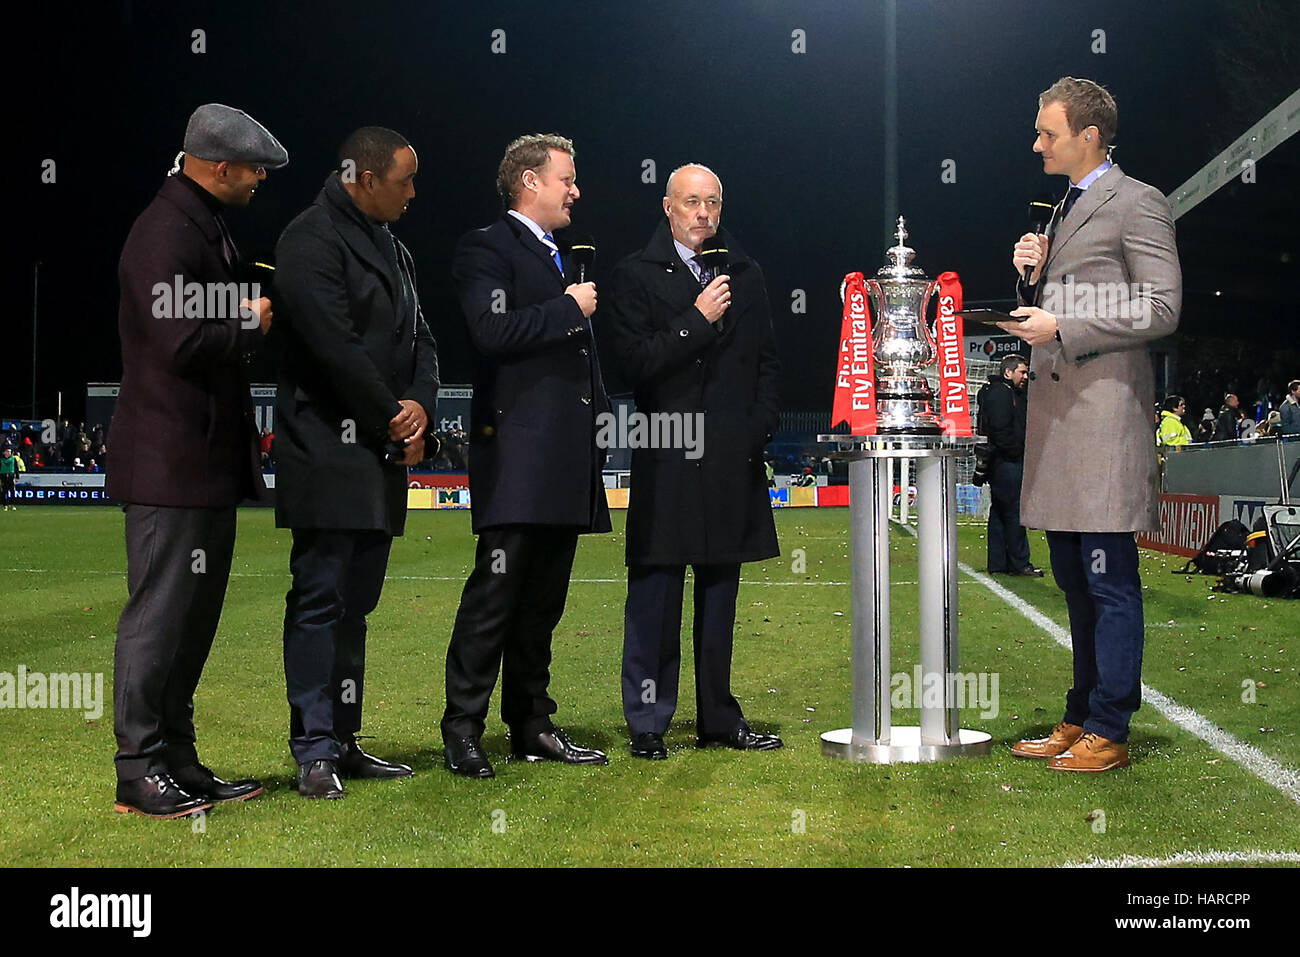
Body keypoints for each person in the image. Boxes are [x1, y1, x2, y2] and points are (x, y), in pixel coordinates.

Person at [107, 103, 285, 817]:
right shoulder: (162, 232)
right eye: (252, 169)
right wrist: (251, 320)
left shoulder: (199, 224)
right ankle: (138, 768)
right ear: (217, 167)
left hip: (198, 461)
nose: (258, 181)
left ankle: (176, 757)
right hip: (168, 464)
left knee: (191, 620)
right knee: (158, 619)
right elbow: (175, 338)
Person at [999, 77, 1181, 772]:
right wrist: (1030, 284)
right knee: (1074, 578)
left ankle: (1111, 723)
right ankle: (1081, 713)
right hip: (1061, 423)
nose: (1038, 143)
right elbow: (1063, 303)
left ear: (1089, 136)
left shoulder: (1139, 202)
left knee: (1108, 580)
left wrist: (1063, 322)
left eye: (1048, 132)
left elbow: (1163, 308)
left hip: (1103, 425)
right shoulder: (1062, 209)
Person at [274, 127, 440, 799]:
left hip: (377, 453)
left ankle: (343, 737)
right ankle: (312, 746)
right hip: (327, 450)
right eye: (405, 179)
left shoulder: (394, 248)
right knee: (320, 599)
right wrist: (393, 416)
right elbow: (334, 348)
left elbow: (423, 341)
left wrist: (421, 406)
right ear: (365, 179)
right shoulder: (308, 239)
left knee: (356, 606)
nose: (413, 192)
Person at [440, 133, 611, 779]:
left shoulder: (560, 257)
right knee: (495, 597)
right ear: (528, 182)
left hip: (563, 460)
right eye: (566, 178)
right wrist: (566, 307)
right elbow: (490, 331)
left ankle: (531, 723)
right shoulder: (486, 246)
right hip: (517, 459)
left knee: (542, 603)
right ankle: (462, 728)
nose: (576, 190)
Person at [607, 163, 783, 760]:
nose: (703, 213)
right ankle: (648, 722)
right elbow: (632, 364)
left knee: (720, 592)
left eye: (712, 202)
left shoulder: (747, 272)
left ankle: (718, 717)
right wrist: (696, 322)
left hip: (733, 455)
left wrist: (758, 427)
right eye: (691, 203)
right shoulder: (633, 275)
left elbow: (766, 361)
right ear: (667, 207)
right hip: (669, 452)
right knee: (655, 591)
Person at [981, 353, 1043, 576]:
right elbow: (1001, 429)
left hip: (1001, 462)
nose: (1026, 376)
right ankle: (1020, 563)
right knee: (1014, 512)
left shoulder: (1002, 392)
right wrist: (1016, 452)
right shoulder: (1002, 394)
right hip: (1007, 462)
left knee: (999, 512)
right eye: (1022, 372)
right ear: (1008, 372)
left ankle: (998, 563)